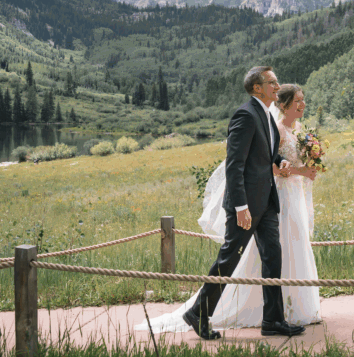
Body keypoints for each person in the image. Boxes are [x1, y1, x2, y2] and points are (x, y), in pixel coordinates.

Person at [137, 77, 321, 337]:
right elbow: (234, 164)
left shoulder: (267, 116)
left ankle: (273, 321)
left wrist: (280, 162)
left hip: (268, 201)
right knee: (230, 257)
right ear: (257, 87)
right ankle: (198, 312)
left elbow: (268, 155)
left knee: (272, 258)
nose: (277, 86)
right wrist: (241, 206)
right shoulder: (245, 115)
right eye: (272, 81)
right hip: (246, 203)